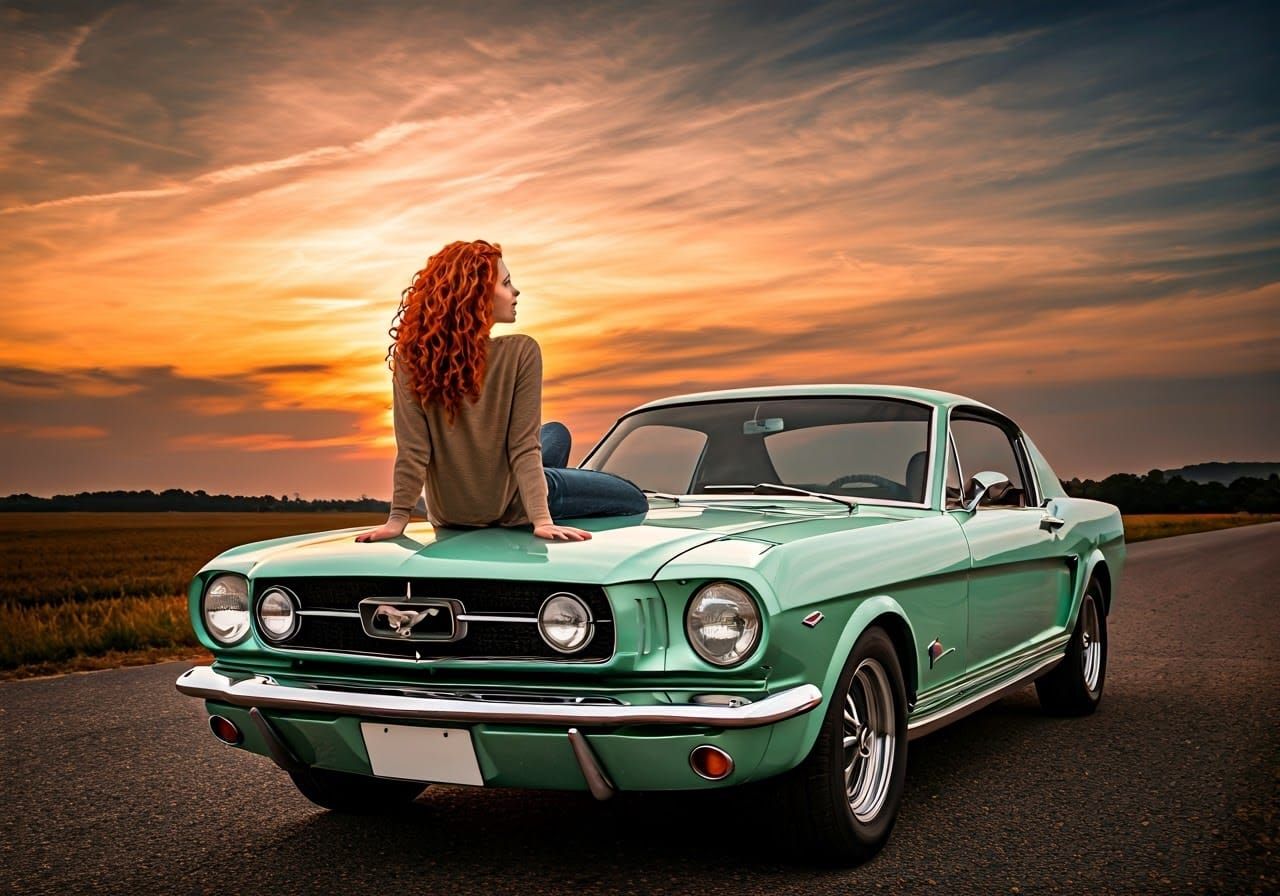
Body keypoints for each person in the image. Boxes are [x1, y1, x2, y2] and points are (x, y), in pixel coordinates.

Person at [356, 240, 648, 544]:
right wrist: (541, 518)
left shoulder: (411, 359)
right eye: (506, 283)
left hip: (448, 511)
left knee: (556, 433)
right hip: (509, 505)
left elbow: (414, 450)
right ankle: (535, 484)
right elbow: (522, 446)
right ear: (478, 294)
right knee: (632, 496)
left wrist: (397, 519)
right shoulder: (522, 351)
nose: (516, 291)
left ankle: (529, 479)